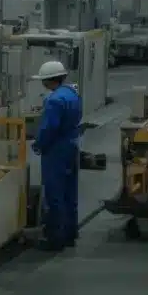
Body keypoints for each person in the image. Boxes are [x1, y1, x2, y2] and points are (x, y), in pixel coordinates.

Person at [30, 60, 83, 251]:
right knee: (69, 191)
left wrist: (38, 144)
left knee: (54, 193)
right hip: (72, 145)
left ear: (48, 80)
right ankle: (70, 233)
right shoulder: (72, 94)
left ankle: (55, 238)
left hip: (56, 150)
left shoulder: (54, 101)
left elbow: (49, 128)